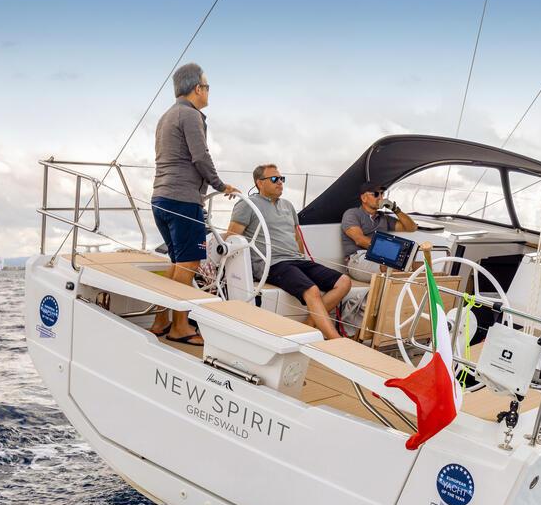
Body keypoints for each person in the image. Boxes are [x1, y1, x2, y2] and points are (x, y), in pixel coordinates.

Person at [149, 62, 239, 345]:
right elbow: (200, 156)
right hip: (182, 200)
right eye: (207, 86)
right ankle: (180, 327)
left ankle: (160, 321)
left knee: (178, 262)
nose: (208, 92)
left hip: (161, 198)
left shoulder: (166, 116)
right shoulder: (190, 115)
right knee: (189, 262)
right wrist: (220, 185)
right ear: (198, 88)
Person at [227, 164, 351, 340]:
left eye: (281, 179)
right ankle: (335, 340)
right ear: (259, 183)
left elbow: (297, 238)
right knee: (312, 290)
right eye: (274, 179)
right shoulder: (248, 205)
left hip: (296, 260)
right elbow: (232, 239)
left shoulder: (288, 205)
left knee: (344, 282)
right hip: (271, 263)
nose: (280, 182)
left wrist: (303, 260)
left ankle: (308, 325)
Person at [341, 181, 417, 282]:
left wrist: (395, 209)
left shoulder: (384, 218)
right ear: (364, 198)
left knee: (421, 266)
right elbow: (360, 240)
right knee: (395, 267)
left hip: (381, 257)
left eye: (382, 194)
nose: (381, 198)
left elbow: (411, 227)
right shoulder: (352, 214)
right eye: (376, 194)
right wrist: (393, 252)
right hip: (358, 259)